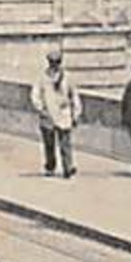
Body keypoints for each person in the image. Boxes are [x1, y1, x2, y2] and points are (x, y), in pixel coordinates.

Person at [31, 50, 82, 178]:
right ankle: (50, 166)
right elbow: (35, 94)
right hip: (48, 114)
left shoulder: (67, 77)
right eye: (52, 63)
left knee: (65, 143)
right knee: (49, 144)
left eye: (57, 63)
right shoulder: (42, 77)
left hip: (63, 114)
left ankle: (68, 167)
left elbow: (74, 96)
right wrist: (41, 108)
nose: (55, 65)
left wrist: (76, 114)